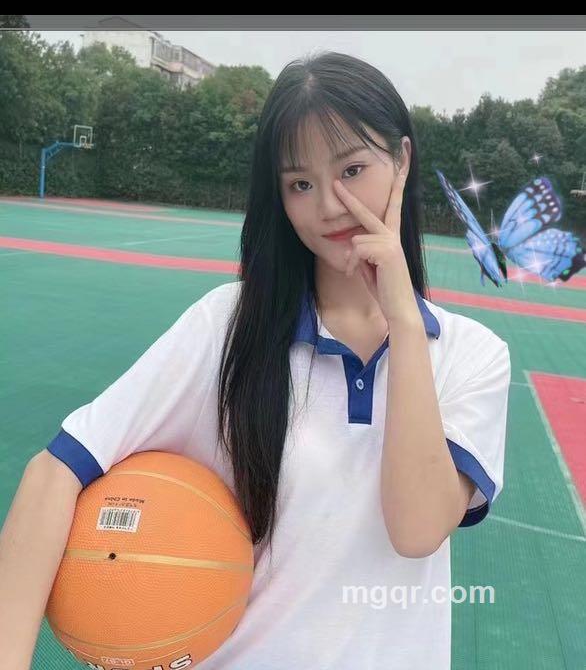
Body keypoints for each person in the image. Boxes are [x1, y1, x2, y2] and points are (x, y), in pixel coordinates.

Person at [15, 51, 512, 670]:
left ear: (402, 160)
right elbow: (55, 472)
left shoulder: (472, 356)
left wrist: (406, 326)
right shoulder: (228, 327)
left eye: (352, 170)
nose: (329, 205)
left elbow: (415, 531)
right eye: (300, 184)